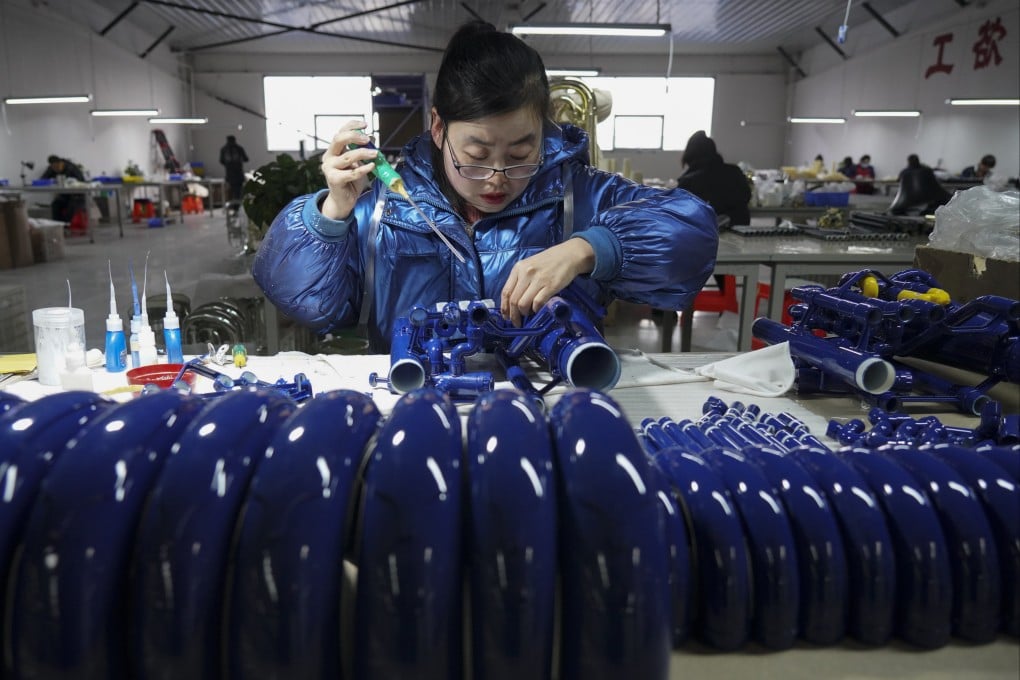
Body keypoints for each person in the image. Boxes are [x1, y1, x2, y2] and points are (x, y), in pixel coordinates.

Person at [252, 20, 718, 352]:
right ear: (438, 129)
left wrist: (586, 248)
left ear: (544, 130)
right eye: (476, 156)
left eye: (520, 154)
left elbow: (692, 237)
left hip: (546, 415)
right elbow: (305, 303)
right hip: (415, 414)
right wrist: (332, 212)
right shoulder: (384, 209)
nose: (497, 178)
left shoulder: (578, 196)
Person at [40, 155, 86, 222]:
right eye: (53, 167)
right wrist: (52, 181)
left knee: (71, 208)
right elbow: (43, 179)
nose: (56, 169)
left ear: (61, 163)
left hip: (77, 195)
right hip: (65, 195)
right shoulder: (52, 168)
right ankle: (58, 225)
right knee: (55, 205)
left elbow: (82, 183)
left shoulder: (72, 168)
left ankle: (68, 227)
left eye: (57, 167)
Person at [219, 135, 249, 202]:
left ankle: (232, 207)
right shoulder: (239, 148)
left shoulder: (224, 149)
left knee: (231, 191)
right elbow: (246, 159)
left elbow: (221, 161)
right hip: (238, 174)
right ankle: (236, 207)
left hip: (230, 175)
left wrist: (229, 164)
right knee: (238, 192)